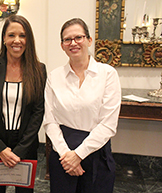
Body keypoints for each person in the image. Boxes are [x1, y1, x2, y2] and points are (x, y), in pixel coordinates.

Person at [44, 18, 121, 193]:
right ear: (62, 45)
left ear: (89, 40)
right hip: (62, 154)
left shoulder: (108, 74)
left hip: (96, 154)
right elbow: (50, 121)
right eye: (67, 39)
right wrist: (67, 156)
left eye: (78, 37)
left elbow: (108, 125)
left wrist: (78, 155)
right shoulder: (54, 77)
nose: (73, 43)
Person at [0, 15, 46, 193]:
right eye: (11, 35)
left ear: (28, 39)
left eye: (22, 35)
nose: (17, 40)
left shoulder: (38, 69)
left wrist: (20, 151)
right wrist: (0, 148)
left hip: (26, 144)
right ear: (4, 38)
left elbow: (38, 112)